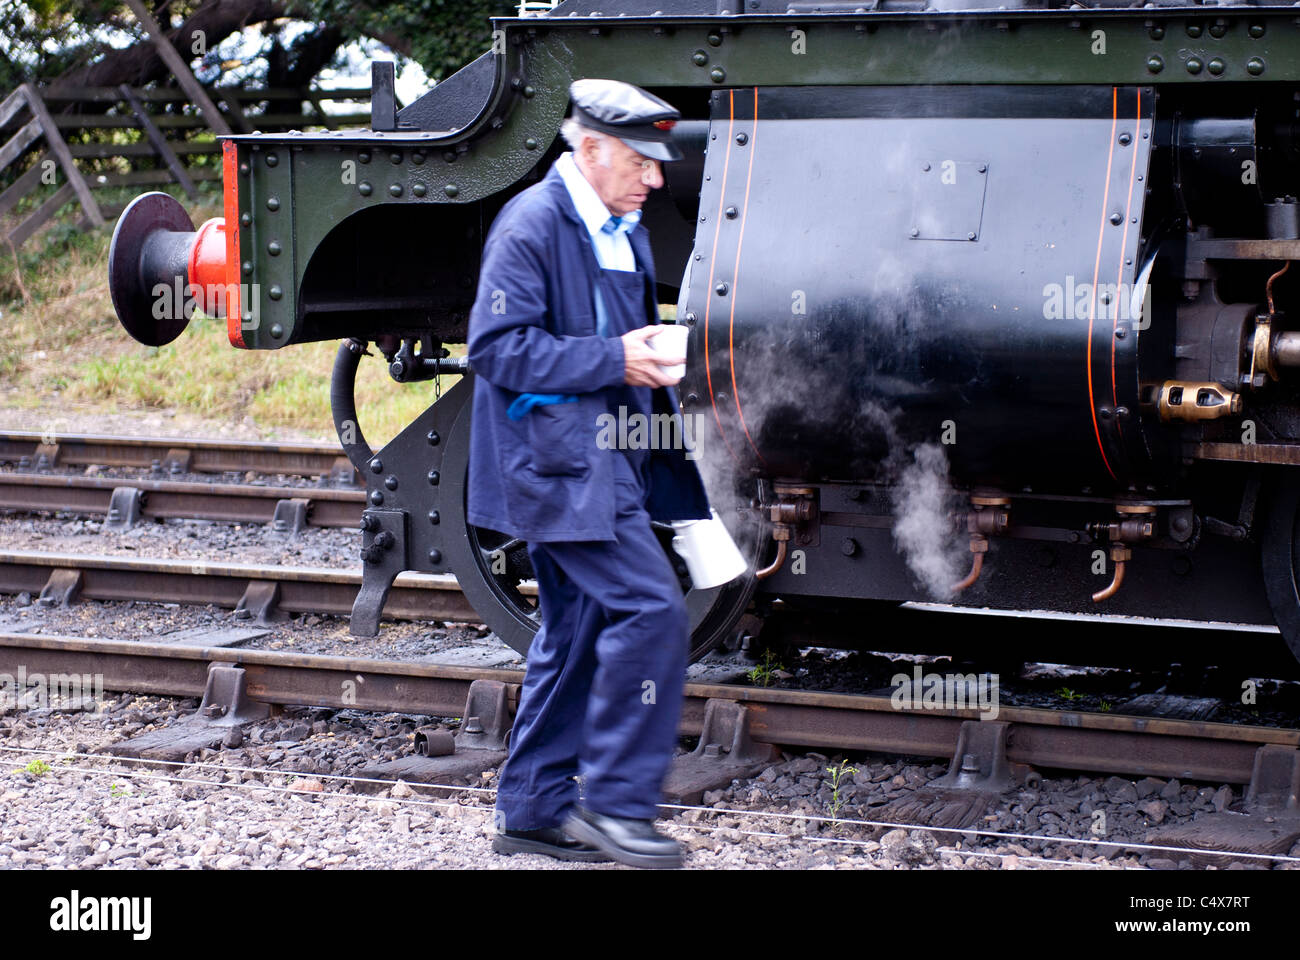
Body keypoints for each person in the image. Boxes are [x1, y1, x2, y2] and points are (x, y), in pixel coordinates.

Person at [466, 78, 711, 869]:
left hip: (608, 466)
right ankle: (614, 807)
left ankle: (532, 812)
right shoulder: (530, 225)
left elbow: (629, 350)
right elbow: (496, 349)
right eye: (642, 161)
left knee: (573, 636)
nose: (656, 178)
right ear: (593, 148)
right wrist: (617, 357)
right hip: (556, 472)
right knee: (652, 613)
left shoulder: (625, 229)